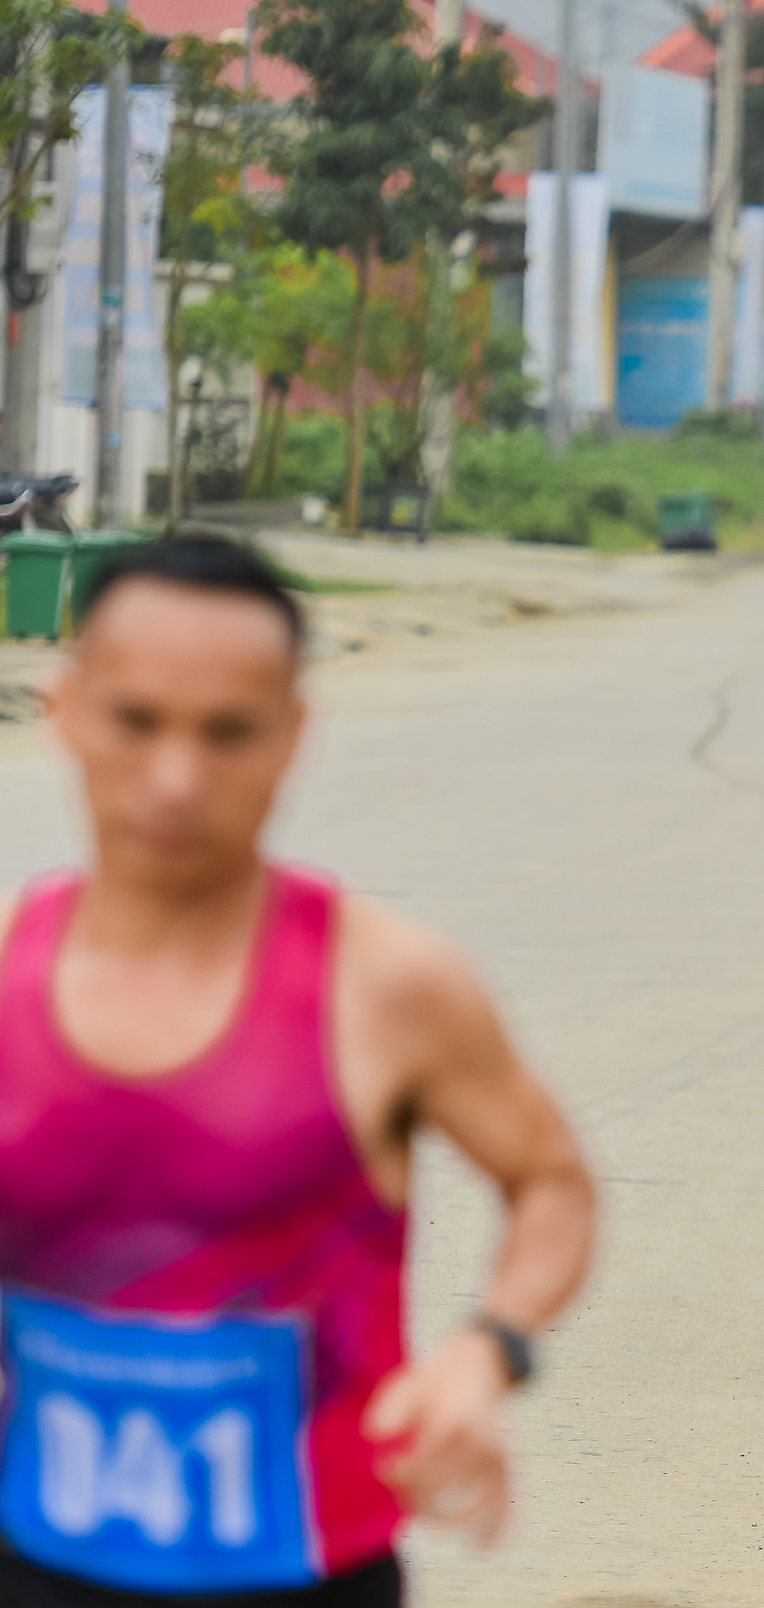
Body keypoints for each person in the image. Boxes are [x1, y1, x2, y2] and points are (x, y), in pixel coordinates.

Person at [0, 536, 598, 1606]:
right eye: (135, 720)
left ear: (292, 735)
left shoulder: (387, 986)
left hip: (309, 1572)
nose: (176, 778)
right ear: (65, 712)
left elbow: (550, 1181)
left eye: (228, 732)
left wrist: (484, 1352)